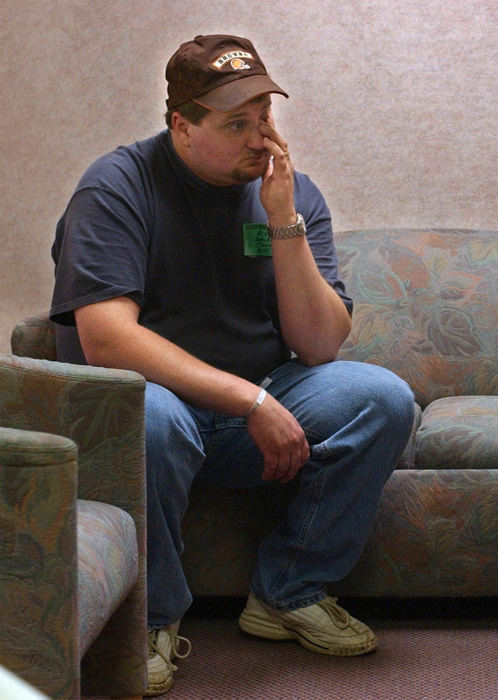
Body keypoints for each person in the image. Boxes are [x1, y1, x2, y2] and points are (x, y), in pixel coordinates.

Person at [49, 35, 415, 696]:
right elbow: (106, 339)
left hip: (260, 402)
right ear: (181, 125)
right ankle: (151, 618)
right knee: (149, 412)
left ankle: (289, 591)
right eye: (236, 123)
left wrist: (283, 223)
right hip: (156, 407)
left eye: (265, 119)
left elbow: (321, 347)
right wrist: (249, 401)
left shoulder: (292, 195)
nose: (261, 139)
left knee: (382, 397)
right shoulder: (117, 186)